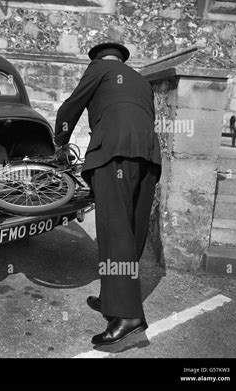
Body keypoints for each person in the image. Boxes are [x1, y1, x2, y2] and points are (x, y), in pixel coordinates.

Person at [54, 42, 161, 346]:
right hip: (149, 156)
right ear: (122, 60)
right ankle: (114, 299)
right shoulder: (139, 80)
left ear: (99, 59)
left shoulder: (98, 69)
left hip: (114, 153)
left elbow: (71, 107)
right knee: (131, 230)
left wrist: (58, 142)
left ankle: (128, 316)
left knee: (115, 231)